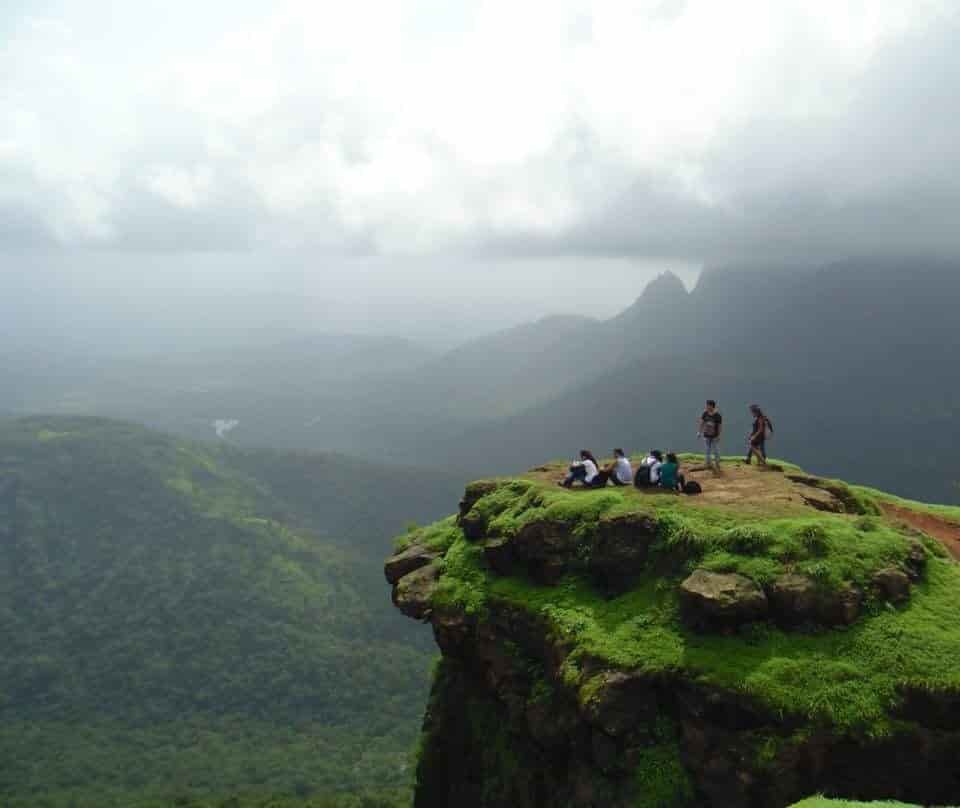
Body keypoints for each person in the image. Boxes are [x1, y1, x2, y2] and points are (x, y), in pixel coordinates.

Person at [698, 400, 723, 471]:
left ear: (712, 406)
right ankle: (708, 463)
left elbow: (720, 426)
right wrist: (699, 432)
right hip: (706, 435)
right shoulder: (705, 413)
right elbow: (702, 423)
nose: (706, 407)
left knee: (716, 450)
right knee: (707, 450)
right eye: (706, 405)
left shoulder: (717, 415)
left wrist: (719, 435)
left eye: (708, 405)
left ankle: (717, 464)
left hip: (714, 436)